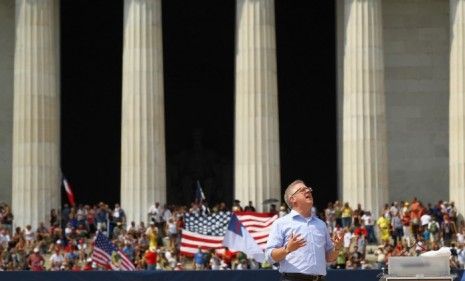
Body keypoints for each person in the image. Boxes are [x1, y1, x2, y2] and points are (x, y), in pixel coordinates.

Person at [265, 180, 343, 281]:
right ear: (292, 199)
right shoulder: (280, 223)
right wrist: (287, 249)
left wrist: (337, 248)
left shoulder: (321, 224)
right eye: (302, 190)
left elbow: (329, 258)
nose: (308, 191)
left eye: (308, 189)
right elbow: (269, 257)